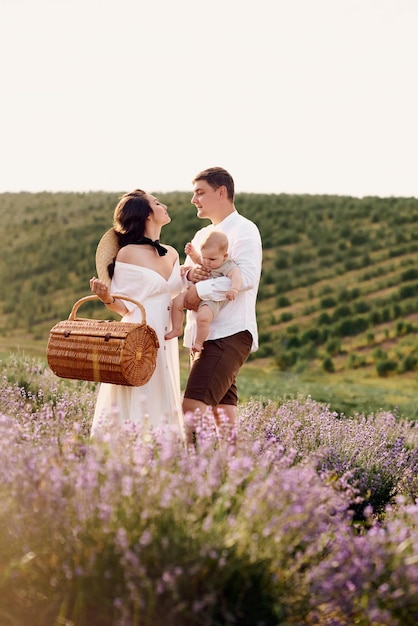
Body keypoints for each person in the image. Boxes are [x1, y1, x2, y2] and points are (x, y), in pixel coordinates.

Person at [89, 189, 185, 439]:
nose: (163, 205)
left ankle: (163, 456)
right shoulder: (128, 253)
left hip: (165, 334)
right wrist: (106, 298)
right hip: (138, 331)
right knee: (139, 392)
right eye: (156, 202)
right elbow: (124, 306)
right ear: (146, 215)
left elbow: (177, 293)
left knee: (163, 390)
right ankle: (127, 453)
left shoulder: (172, 252)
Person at [181, 167, 262, 440]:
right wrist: (191, 275)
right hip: (206, 334)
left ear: (222, 192)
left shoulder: (245, 230)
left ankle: (193, 476)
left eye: (200, 192)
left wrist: (199, 290)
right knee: (222, 418)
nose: (194, 200)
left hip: (228, 333)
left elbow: (246, 278)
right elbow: (185, 274)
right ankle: (229, 476)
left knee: (192, 410)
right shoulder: (201, 235)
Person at [165, 231, 242, 353]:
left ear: (225, 256)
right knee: (176, 303)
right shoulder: (206, 259)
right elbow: (197, 259)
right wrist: (192, 253)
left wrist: (234, 289)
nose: (207, 262)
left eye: (212, 259)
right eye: (205, 257)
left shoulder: (227, 265)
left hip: (211, 299)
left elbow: (237, 276)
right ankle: (176, 328)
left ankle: (199, 342)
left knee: (203, 318)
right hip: (194, 291)